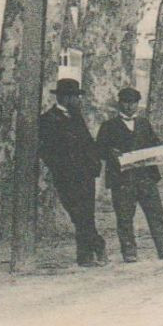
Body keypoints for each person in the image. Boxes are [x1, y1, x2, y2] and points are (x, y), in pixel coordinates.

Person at [95, 87, 163, 263]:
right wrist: (111, 152)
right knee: (125, 217)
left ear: (138, 104)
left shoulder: (144, 123)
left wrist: (159, 151)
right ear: (119, 104)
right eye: (126, 103)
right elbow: (99, 151)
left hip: (146, 177)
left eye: (133, 103)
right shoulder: (108, 126)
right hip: (122, 179)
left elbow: (155, 143)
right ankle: (129, 252)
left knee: (156, 214)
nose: (129, 107)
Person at [38, 78, 107, 266]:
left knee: (87, 214)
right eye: (75, 97)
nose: (78, 101)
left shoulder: (77, 117)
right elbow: (44, 150)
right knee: (77, 214)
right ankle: (98, 243)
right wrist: (58, 166)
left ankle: (84, 257)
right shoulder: (47, 120)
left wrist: (94, 165)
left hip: (85, 174)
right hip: (65, 176)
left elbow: (88, 143)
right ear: (64, 98)